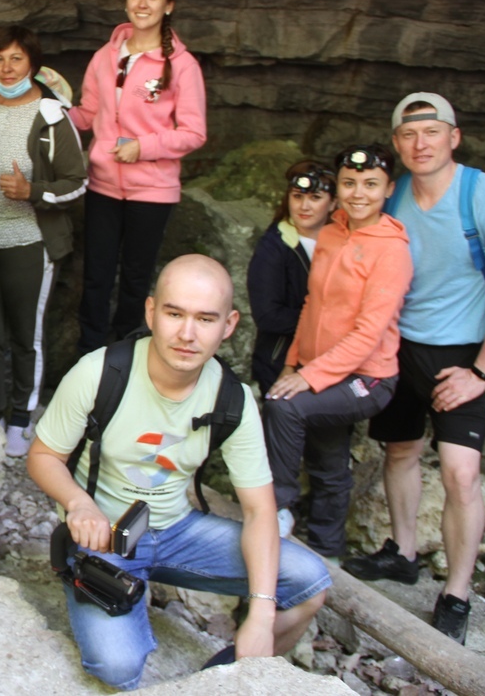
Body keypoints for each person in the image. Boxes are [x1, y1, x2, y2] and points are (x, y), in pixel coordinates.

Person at [28, 255, 329, 690]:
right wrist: (79, 504)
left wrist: (261, 614)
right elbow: (42, 456)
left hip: (177, 530)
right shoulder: (100, 372)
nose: (187, 334)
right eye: (174, 314)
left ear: (229, 325)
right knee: (116, 666)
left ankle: (216, 681)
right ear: (151, 311)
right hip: (105, 536)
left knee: (310, 583)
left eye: (206, 319)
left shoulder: (233, 400)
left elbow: (261, 511)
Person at [344, 93, 485, 644]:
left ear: (455, 136)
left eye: (432, 132)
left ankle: (457, 591)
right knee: (399, 448)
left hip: (461, 354)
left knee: (460, 473)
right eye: (407, 134)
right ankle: (401, 552)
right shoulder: (392, 193)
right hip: (400, 342)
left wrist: (481, 373)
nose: (419, 143)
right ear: (396, 144)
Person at [262, 145, 412, 558]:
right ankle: (328, 549)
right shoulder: (330, 233)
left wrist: (306, 378)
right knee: (328, 460)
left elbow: (368, 333)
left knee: (284, 406)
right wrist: (293, 363)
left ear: (389, 189)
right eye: (349, 183)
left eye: (370, 184)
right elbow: (312, 305)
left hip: (369, 378)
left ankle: (276, 506)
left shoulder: (391, 250)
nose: (357, 193)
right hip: (321, 368)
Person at [0, 25, 87, 457]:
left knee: (25, 337)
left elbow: (78, 183)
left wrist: (32, 191)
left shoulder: (50, 117)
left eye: (16, 59)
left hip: (25, 241)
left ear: (33, 63)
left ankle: (21, 418)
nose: (6, 69)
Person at [73, 0, 207, 354]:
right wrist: (45, 112)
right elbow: (87, 113)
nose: (142, 4)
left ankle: (126, 354)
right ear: (125, 2)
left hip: (153, 189)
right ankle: (89, 355)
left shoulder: (182, 64)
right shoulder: (105, 56)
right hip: (102, 184)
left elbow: (194, 132)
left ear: (169, 6)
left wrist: (142, 146)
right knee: (96, 276)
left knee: (136, 278)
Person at [246, 162, 336, 395]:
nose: (304, 206)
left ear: (334, 203)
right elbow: (267, 316)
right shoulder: (274, 246)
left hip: (333, 359)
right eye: (297, 196)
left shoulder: (344, 242)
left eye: (315, 197)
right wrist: (328, 323)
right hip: (280, 362)